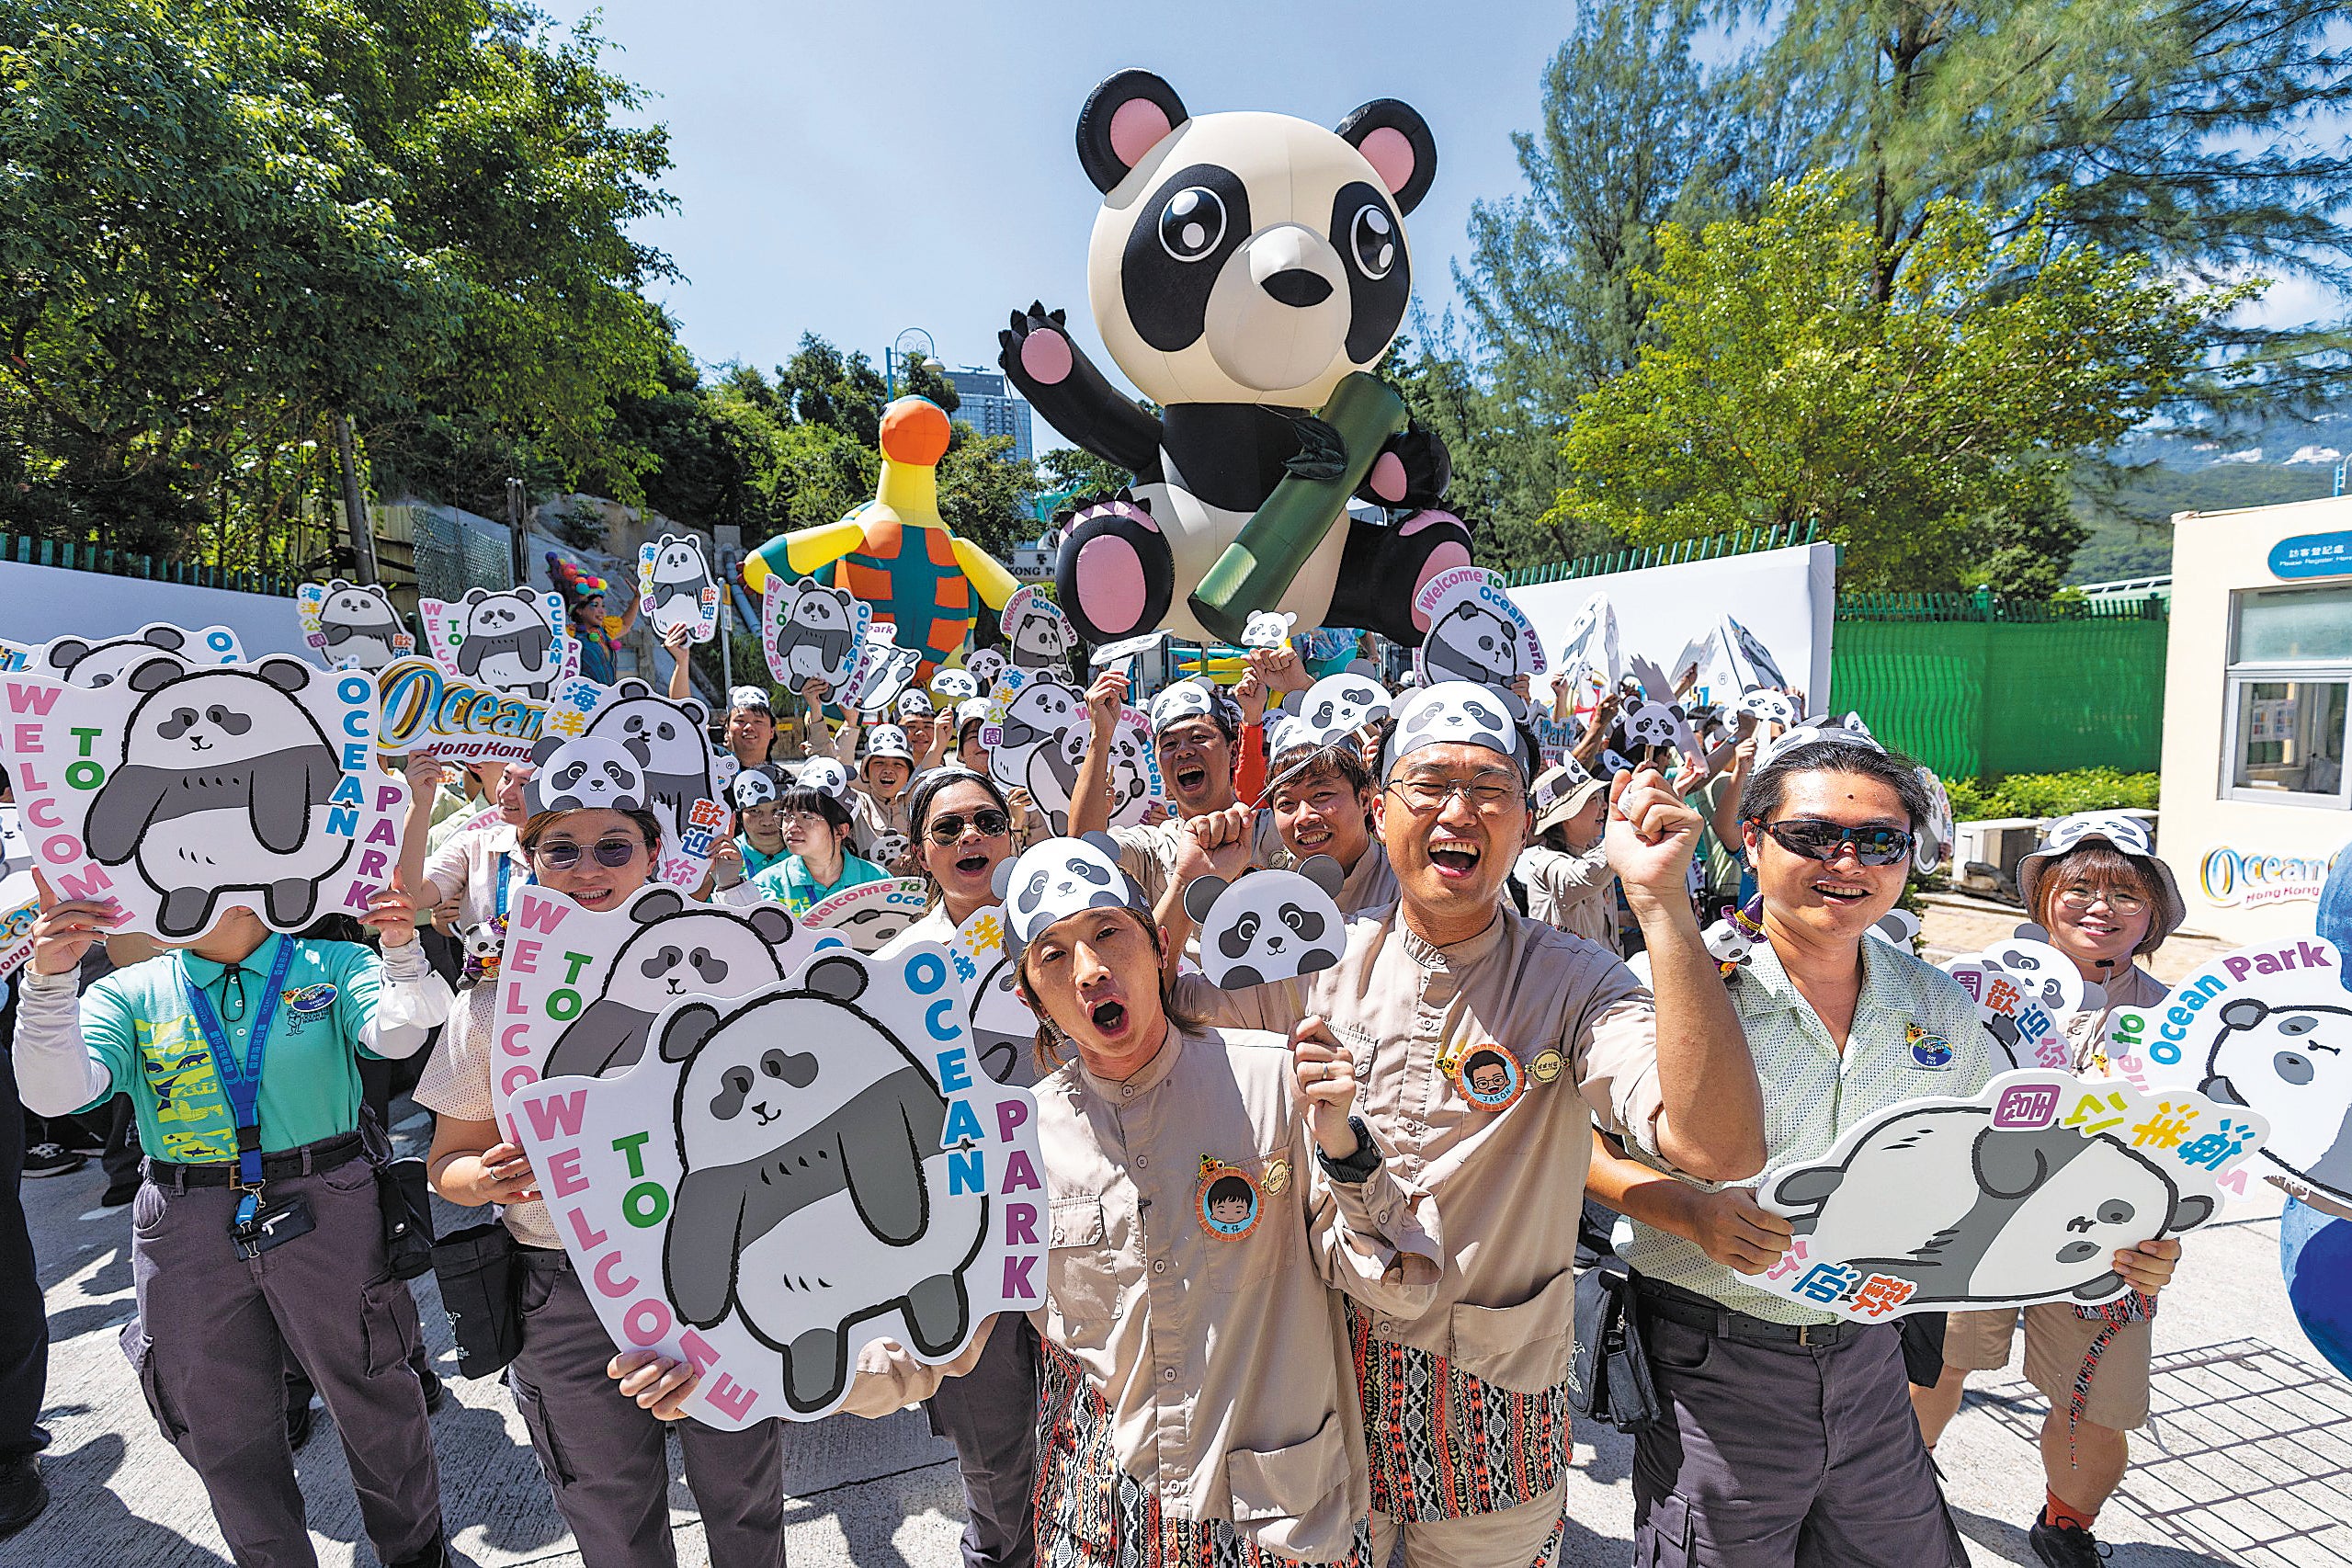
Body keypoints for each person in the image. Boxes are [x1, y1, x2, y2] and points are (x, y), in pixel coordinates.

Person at [612, 835, 1444, 1568]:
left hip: (1276, 1510)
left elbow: (1396, 1278)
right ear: (1027, 997)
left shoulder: (1274, 1079)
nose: (1089, 971)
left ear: (1158, 949)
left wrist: (1341, 1144)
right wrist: (725, 1368)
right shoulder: (1011, 1143)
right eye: (1053, 956)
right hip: (1108, 1514)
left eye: (1108, 935)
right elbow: (932, 1343)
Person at [1175, 680, 1766, 1566]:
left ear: (1524, 822)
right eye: (1430, 784)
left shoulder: (1575, 982)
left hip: (1493, 1401)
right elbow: (1150, 1028)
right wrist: (1190, 881)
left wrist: (1661, 906)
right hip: (1323, 1394)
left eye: (1490, 789)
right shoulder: (1314, 960)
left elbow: (1714, 1146)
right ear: (1379, 812)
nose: (1459, 810)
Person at [1585, 733, 2182, 1568]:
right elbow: (1568, 1145)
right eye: (1811, 836)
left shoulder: (1933, 999)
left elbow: (2002, 1164)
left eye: (1878, 841)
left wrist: (2116, 1242)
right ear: (1751, 840)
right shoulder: (1673, 980)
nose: (1845, 860)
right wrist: (1683, 1211)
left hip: (1871, 1355)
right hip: (1714, 1356)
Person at [14, 875, 454, 1568]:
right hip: (185, 1218)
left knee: (374, 1393)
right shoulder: (130, 990)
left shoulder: (328, 963)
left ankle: (414, 1553)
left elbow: (402, 1032)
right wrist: (47, 983)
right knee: (216, 1417)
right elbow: (56, 1090)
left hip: (324, 1197)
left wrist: (401, 949)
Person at [415, 795, 786, 1568]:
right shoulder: (492, 1006)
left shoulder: (732, 982)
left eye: (614, 848)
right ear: (531, 865)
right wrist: (483, 1177)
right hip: (563, 1293)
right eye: (562, 851)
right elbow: (444, 1166)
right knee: (610, 1516)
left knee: (743, 1502)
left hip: (719, 1272)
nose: (589, 869)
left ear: (655, 857)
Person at [1910, 812, 2187, 1568]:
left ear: (2154, 913)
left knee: (2096, 1405)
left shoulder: (2182, 1021)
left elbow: (2198, 1153)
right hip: (1973, 1218)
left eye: (2126, 893)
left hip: (2109, 1242)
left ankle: (2066, 1522)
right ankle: (1901, 1484)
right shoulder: (1965, 986)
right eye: (2079, 886)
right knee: (1936, 1362)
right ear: (2041, 899)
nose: (2101, 906)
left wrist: (2165, 1232)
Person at [872, 767, 1037, 1568]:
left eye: (986, 821)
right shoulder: (896, 966)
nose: (970, 837)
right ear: (919, 855)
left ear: (1013, 838)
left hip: (1080, 1221)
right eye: (948, 830)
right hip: (967, 1241)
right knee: (996, 1453)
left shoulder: (1063, 930)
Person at [1070, 672, 1282, 915]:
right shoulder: (1152, 847)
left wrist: (1303, 688)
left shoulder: (1276, 830)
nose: (1183, 751)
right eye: (1170, 744)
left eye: (1199, 737)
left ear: (1233, 753)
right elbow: (1084, 854)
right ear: (1159, 766)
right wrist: (1100, 735)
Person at [1259, 717, 1397, 915]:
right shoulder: (1263, 891)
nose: (1304, 817)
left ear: (1364, 800)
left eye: (1321, 795)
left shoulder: (1406, 887)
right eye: (1287, 803)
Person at [739, 785, 887, 915]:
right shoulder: (767, 884)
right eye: (787, 816)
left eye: (806, 817)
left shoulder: (877, 880)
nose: (791, 827)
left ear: (840, 831)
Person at [1516, 763, 1614, 944]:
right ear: (1566, 817)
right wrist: (1623, 823)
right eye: (1594, 799)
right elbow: (1589, 874)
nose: (1605, 806)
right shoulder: (1543, 862)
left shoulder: (1592, 848)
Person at [852, 723, 919, 870]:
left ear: (909, 774)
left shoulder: (921, 807)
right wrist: (851, 725)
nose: (888, 769)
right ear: (866, 772)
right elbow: (837, 771)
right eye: (879, 762)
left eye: (898, 764)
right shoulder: (856, 803)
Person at [722, 687, 780, 772]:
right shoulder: (712, 778)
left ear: (771, 731)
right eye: (740, 721)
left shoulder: (786, 782)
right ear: (727, 729)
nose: (749, 727)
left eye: (758, 721)